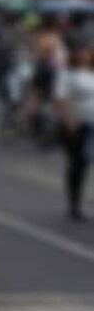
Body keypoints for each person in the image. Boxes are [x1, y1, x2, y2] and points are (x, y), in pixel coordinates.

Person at [55, 45, 94, 221]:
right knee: (79, 165)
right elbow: (61, 99)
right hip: (79, 126)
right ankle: (74, 204)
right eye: (82, 51)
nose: (85, 55)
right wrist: (69, 121)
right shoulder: (67, 75)